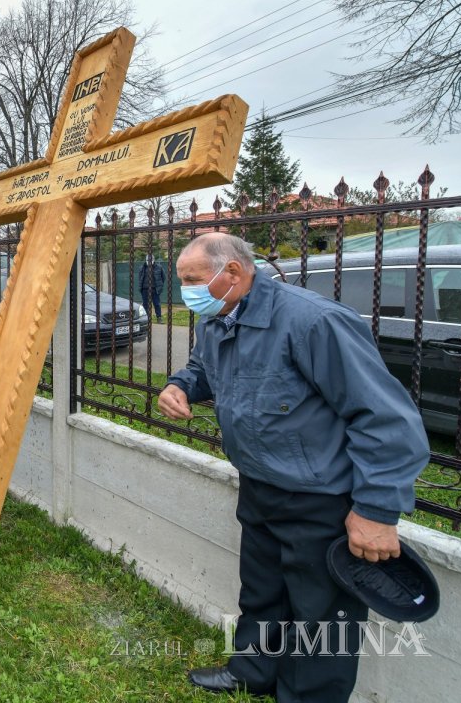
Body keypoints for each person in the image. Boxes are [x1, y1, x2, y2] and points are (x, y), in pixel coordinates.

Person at [157, 232, 429, 702]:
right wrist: (181, 385)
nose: (185, 291)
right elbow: (204, 366)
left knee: (321, 615)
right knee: (261, 592)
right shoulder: (217, 318)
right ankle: (253, 671)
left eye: (192, 280)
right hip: (260, 485)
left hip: (319, 497)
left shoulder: (312, 321)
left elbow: (385, 418)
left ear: (234, 274)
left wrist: (378, 510)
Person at [138, 253, 167, 323]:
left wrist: (159, 285)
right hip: (145, 289)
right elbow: (140, 277)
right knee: (145, 304)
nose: (149, 262)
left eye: (151, 260)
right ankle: (147, 318)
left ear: (153, 260)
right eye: (148, 260)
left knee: (157, 304)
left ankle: (159, 318)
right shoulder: (142, 267)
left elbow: (163, 277)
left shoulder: (159, 267)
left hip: (155, 289)